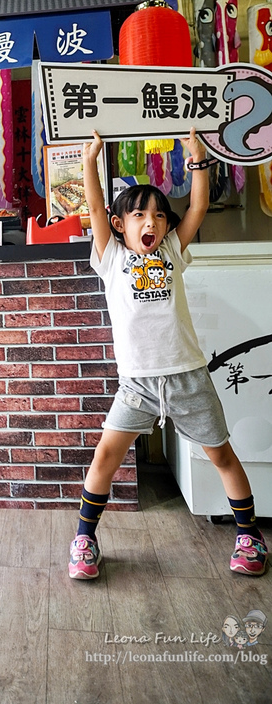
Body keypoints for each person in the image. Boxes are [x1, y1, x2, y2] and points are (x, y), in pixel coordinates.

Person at [68, 128, 268, 580]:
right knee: (104, 459)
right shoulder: (111, 257)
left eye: (159, 215)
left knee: (221, 456)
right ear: (121, 225)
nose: (151, 223)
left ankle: (249, 535)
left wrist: (198, 160)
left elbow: (197, 207)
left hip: (188, 377)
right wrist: (89, 161)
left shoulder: (173, 250)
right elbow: (96, 207)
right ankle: (84, 539)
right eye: (139, 215)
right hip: (136, 383)